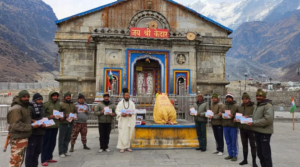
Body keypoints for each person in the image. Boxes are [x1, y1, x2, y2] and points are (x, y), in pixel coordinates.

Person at [248, 89, 274, 167]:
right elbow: (256, 117)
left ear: (264, 97)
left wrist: (253, 123)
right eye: (257, 96)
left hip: (264, 133)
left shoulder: (268, 106)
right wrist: (248, 117)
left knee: (266, 154)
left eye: (260, 96)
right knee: (260, 153)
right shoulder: (258, 105)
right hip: (257, 132)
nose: (258, 97)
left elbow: (268, 120)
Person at [7, 90, 34, 167]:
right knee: (15, 161)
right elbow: (16, 124)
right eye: (24, 97)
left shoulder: (24, 107)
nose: (26, 98)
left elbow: (23, 119)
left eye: (28, 97)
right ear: (20, 97)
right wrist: (31, 126)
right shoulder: (16, 108)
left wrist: (32, 121)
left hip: (23, 137)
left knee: (19, 160)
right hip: (17, 138)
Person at [234, 92, 258, 167]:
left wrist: (249, 116)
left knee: (253, 145)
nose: (244, 100)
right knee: (244, 145)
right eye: (243, 99)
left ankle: (254, 161)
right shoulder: (240, 107)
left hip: (251, 129)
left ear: (249, 99)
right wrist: (236, 119)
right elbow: (237, 115)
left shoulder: (253, 107)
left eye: (246, 99)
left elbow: (256, 116)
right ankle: (245, 160)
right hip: (243, 128)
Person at [25, 93, 46, 167]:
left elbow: (43, 117)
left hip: (41, 132)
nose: (40, 101)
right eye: (39, 100)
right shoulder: (30, 107)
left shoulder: (42, 107)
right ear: (35, 100)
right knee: (31, 152)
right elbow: (28, 118)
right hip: (33, 132)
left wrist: (45, 123)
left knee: (38, 151)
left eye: (41, 99)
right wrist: (35, 122)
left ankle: (35, 165)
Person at [41, 91, 61, 166]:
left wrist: (60, 117)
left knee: (52, 143)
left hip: (55, 126)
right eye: (54, 96)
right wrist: (49, 117)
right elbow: (42, 114)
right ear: (51, 96)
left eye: (56, 96)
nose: (55, 97)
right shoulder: (46, 104)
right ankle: (44, 159)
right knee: (46, 143)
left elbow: (59, 113)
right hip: (48, 126)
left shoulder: (58, 105)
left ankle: (49, 157)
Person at [115, 88, 136, 153]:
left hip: (129, 121)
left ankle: (128, 147)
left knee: (129, 133)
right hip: (123, 121)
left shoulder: (132, 103)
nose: (127, 96)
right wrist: (121, 114)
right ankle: (122, 147)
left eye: (128, 95)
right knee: (122, 133)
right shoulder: (120, 103)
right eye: (126, 95)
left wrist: (131, 114)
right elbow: (117, 111)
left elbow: (134, 111)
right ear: (123, 96)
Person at [221, 93, 239, 161]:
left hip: (233, 126)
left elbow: (240, 115)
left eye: (230, 98)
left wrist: (233, 116)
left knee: (234, 141)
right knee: (228, 141)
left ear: (232, 98)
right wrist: (221, 114)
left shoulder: (236, 106)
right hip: (225, 126)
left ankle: (235, 155)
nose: (228, 99)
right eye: (227, 98)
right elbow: (221, 114)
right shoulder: (224, 106)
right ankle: (230, 154)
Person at [59, 91, 77, 158]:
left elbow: (75, 112)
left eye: (69, 96)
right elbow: (58, 113)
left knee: (67, 138)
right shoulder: (61, 104)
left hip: (70, 123)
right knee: (62, 138)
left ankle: (65, 151)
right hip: (63, 123)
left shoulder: (72, 104)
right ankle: (61, 152)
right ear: (64, 97)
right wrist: (64, 115)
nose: (68, 97)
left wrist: (75, 116)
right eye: (67, 96)